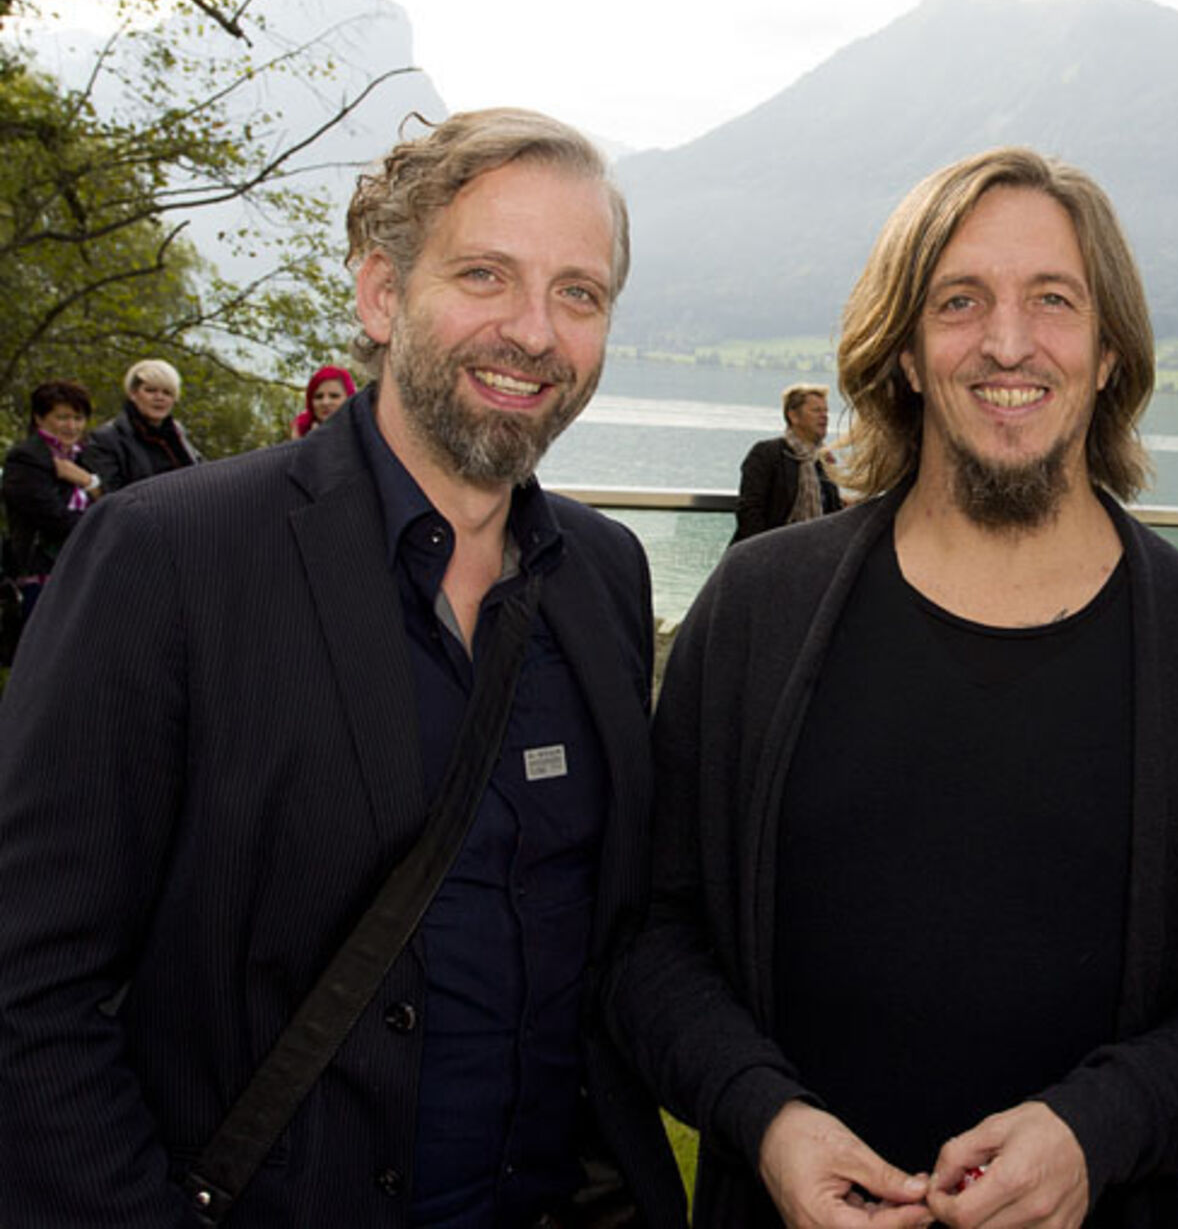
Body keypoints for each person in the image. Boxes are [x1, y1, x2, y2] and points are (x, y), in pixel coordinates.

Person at [0, 108, 684, 1227]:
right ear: (380, 294)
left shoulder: (603, 575)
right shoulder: (170, 556)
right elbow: (29, 986)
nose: (533, 331)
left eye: (579, 293)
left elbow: (610, 945)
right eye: (485, 275)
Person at [607, 146, 1178, 1229]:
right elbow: (653, 936)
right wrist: (766, 1120)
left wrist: (1099, 1129)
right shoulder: (758, 613)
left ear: (1110, 351)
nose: (1008, 343)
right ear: (908, 353)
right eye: (960, 300)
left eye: (1054, 300)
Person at [2, 380, 103, 626]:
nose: (72, 426)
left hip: (87, 569)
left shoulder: (87, 457)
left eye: (78, 418)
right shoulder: (25, 459)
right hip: (43, 574)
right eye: (62, 417)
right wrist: (99, 525)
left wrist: (88, 482)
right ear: (39, 418)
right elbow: (51, 517)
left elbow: (114, 501)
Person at [730, 382, 843, 542]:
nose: (824, 416)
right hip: (771, 549)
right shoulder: (767, 453)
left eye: (826, 411)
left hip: (815, 550)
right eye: (816, 410)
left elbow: (833, 513)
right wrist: (765, 550)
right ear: (793, 416)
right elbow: (749, 511)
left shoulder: (824, 460)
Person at [84, 357, 203, 489]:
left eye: (167, 393)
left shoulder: (179, 435)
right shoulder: (106, 439)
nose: (159, 398)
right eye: (151, 390)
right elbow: (112, 491)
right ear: (133, 394)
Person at [290, 365, 359, 438]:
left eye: (334, 396)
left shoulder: (362, 430)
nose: (325, 402)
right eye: (319, 397)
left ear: (349, 399)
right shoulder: (301, 430)